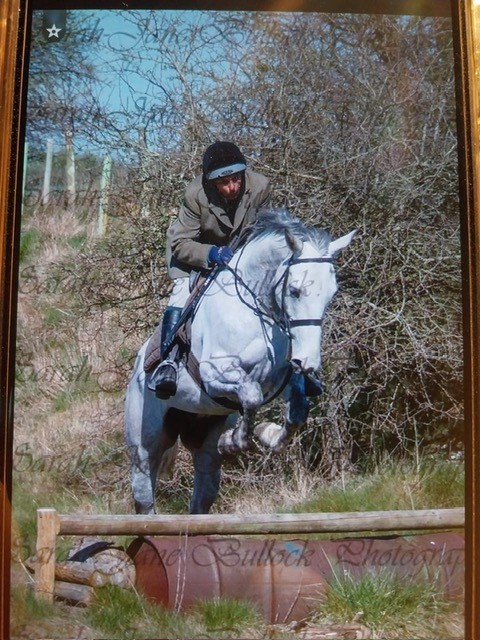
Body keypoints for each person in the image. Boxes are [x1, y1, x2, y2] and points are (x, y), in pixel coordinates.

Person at [150, 141, 271, 399]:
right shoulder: (196, 194)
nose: (232, 187)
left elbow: (265, 230)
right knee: (181, 295)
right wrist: (212, 254)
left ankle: (294, 364)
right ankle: (168, 361)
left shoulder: (260, 186)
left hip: (240, 253)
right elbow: (181, 243)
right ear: (211, 182)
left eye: (236, 179)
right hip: (195, 254)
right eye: (224, 182)